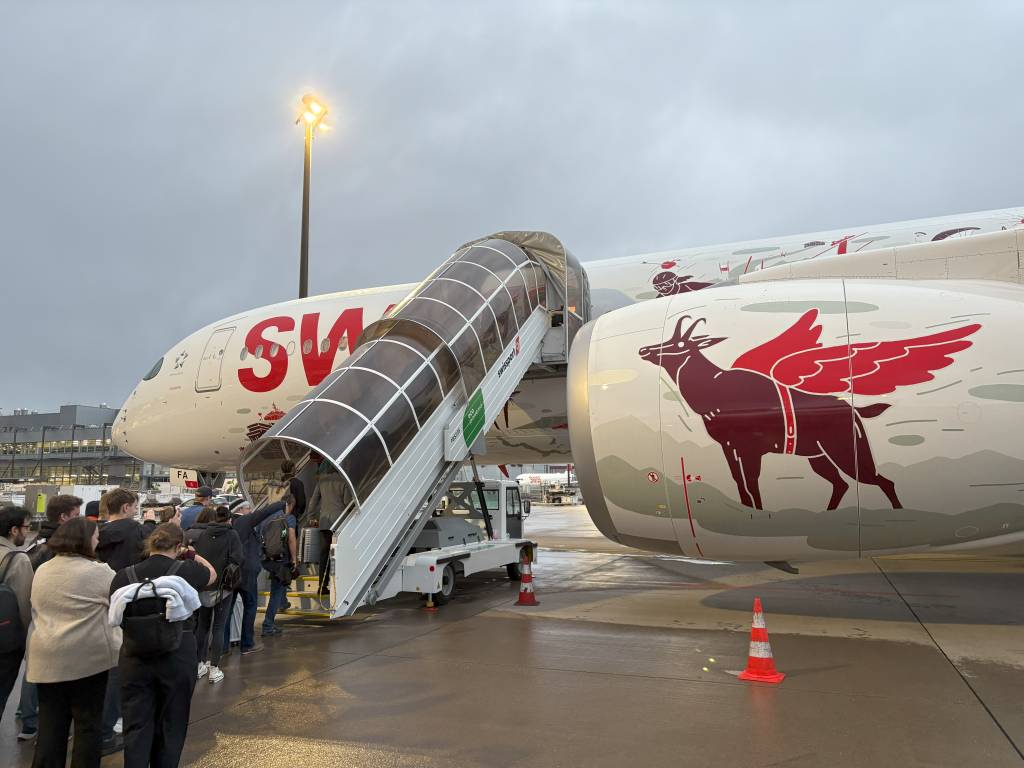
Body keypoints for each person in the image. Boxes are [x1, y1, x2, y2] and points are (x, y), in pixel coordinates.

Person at [110, 523, 216, 768]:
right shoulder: (186, 570)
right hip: (176, 655)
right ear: (178, 547)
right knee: (172, 722)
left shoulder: (124, 575)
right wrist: (192, 554)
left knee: (135, 725)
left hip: (134, 656)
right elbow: (212, 574)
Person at [27, 517, 121, 768]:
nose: (99, 540)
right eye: (96, 536)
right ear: (84, 540)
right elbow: (117, 606)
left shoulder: (43, 570)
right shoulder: (99, 571)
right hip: (87, 659)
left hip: (46, 657)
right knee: (88, 725)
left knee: (50, 726)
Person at [16, 494, 82, 742]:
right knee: (50, 673)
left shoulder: (37, 541)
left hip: (37, 617)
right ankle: (37, 724)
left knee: (33, 669)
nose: (79, 521)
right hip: (54, 617)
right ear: (64, 517)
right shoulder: (58, 546)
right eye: (76, 515)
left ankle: (27, 718)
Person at [95, 487, 154, 755]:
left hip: (97, 603)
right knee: (119, 667)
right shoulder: (138, 532)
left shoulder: (96, 535)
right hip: (127, 602)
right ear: (128, 507)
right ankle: (111, 723)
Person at [187, 506, 241, 683]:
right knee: (218, 627)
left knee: (202, 627)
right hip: (223, 588)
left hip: (204, 586)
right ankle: (214, 668)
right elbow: (238, 559)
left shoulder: (203, 535)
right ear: (229, 519)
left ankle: (198, 664)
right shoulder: (231, 535)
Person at [226, 498, 286, 653]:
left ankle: (224, 646)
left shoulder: (228, 522)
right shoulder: (243, 521)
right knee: (250, 606)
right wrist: (281, 503)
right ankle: (247, 643)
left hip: (230, 572)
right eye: (248, 509)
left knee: (228, 609)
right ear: (241, 509)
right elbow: (263, 513)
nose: (250, 511)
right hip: (246, 572)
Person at [0, 506, 33, 722]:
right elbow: (25, 605)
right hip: (5, 644)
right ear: (14, 530)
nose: (28, 533)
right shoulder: (17, 559)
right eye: (26, 528)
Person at [307, 459, 347, 596]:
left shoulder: (321, 482)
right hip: (340, 522)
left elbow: (313, 502)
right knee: (339, 553)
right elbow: (347, 502)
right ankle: (339, 585)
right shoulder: (343, 481)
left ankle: (322, 586)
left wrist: (311, 517)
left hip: (324, 522)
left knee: (324, 554)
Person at [260, 494, 298, 637]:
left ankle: (283, 602)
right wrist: (294, 559)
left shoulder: (267, 517)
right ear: (291, 505)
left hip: (267, 559)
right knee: (276, 590)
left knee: (279, 582)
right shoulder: (288, 518)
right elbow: (291, 539)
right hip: (281, 559)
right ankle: (268, 625)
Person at [96, 488, 155, 572]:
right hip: (130, 583)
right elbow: (152, 543)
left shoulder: (95, 531)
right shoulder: (137, 530)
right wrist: (150, 522)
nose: (135, 511)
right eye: (135, 507)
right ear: (126, 507)